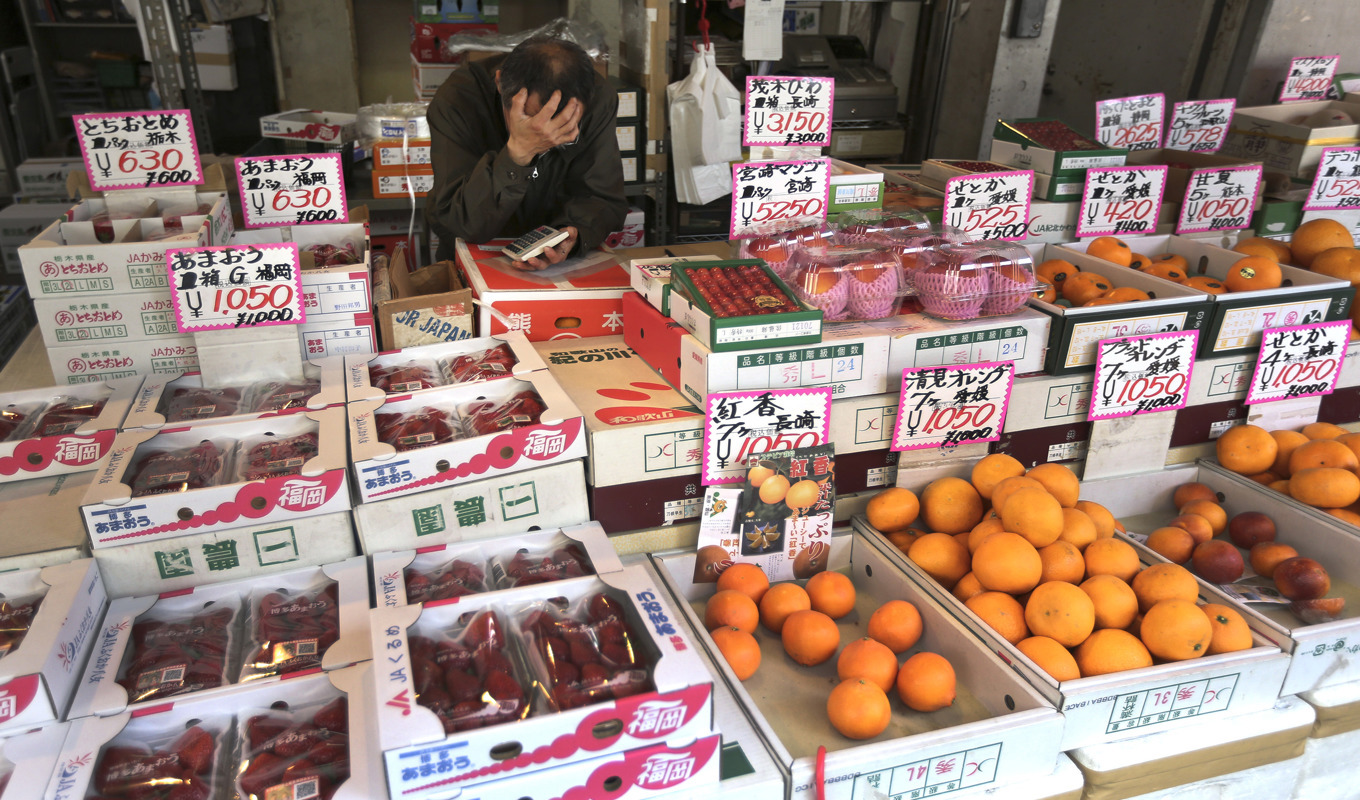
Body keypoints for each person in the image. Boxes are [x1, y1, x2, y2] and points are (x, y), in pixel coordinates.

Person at [426, 36, 628, 269]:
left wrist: (574, 234)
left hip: (556, 265)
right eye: (531, 119)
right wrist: (518, 152)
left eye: (563, 125)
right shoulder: (458, 99)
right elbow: (461, 222)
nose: (546, 135)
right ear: (500, 83)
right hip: (471, 256)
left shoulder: (598, 97)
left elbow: (603, 197)